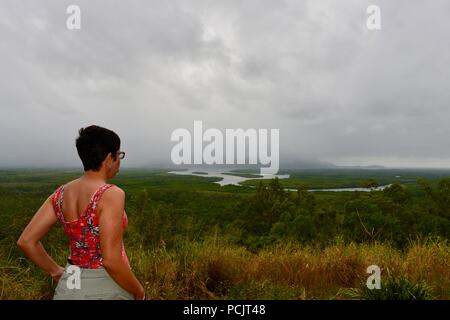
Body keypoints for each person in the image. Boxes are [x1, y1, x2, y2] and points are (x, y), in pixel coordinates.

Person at [17, 125, 145, 300]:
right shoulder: (111, 194)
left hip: (69, 287)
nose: (119, 160)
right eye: (119, 155)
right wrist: (138, 290)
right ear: (109, 158)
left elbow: (26, 241)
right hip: (107, 286)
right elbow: (111, 260)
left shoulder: (60, 194)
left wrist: (55, 271)